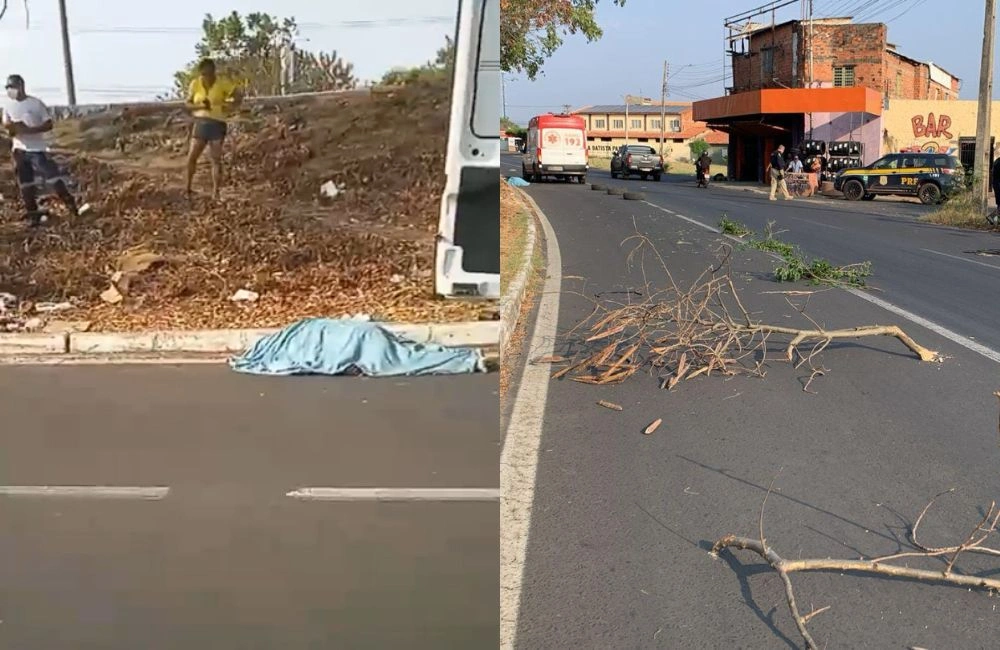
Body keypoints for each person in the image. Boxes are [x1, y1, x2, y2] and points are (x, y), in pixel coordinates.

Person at [2, 74, 87, 226]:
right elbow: (7, 125)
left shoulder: (35, 104)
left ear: (21, 86)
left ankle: (71, 207)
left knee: (52, 177)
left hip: (37, 149)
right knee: (25, 183)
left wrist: (30, 130)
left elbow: (48, 124)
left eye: (12, 87)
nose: (10, 91)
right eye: (8, 88)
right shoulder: (8, 106)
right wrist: (14, 129)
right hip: (19, 150)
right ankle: (33, 215)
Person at [184, 59, 242, 200]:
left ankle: (216, 192)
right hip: (200, 122)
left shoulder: (222, 83)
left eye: (210, 73)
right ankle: (188, 188)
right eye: (204, 74)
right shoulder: (195, 84)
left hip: (217, 122)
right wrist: (200, 107)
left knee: (215, 159)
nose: (207, 76)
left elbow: (238, 95)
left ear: (214, 72)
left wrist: (230, 106)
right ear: (201, 73)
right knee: (191, 157)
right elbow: (188, 104)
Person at [990, 156, 1000, 226]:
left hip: (997, 185)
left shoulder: (997, 161)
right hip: (998, 185)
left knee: (999, 205)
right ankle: (993, 219)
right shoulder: (998, 162)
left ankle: (992, 218)